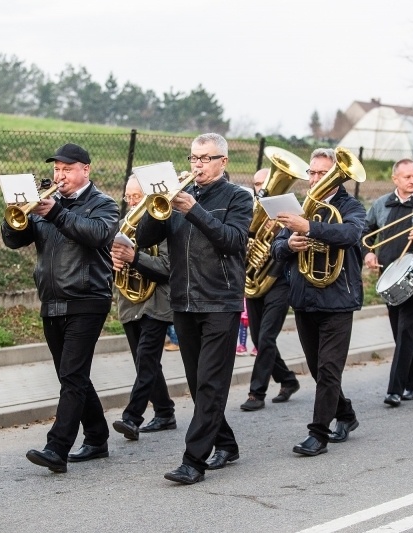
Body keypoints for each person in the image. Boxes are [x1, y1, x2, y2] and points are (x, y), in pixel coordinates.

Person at [135, 133, 252, 484]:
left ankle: (193, 461)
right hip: (183, 301)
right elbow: (144, 238)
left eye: (204, 158)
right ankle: (226, 443)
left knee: (211, 385)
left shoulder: (238, 198)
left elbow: (232, 241)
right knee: (198, 381)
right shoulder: (177, 199)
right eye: (193, 158)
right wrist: (161, 204)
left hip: (220, 300)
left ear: (223, 162)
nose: (197, 164)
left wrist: (193, 210)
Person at [1, 143, 119, 472]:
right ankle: (96, 438)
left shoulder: (103, 204)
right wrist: (16, 217)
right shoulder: (45, 204)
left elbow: (96, 235)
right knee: (72, 376)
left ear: (85, 170)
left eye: (67, 169)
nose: (59, 175)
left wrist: (53, 212)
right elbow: (14, 241)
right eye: (56, 169)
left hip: (88, 298)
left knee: (72, 375)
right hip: (51, 300)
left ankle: (57, 448)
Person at [271, 147, 366, 456]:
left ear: (337, 176)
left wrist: (309, 227)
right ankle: (346, 415)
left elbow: (351, 234)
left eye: (322, 173)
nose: (314, 178)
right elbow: (275, 248)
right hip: (304, 297)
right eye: (311, 172)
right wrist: (290, 243)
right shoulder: (300, 206)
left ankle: (318, 434)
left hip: (338, 300)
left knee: (327, 370)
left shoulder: (351, 205)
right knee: (317, 369)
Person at [363, 158, 413, 407]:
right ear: (395, 178)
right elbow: (365, 232)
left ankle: (395, 389)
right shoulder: (381, 204)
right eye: (407, 177)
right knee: (401, 333)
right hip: (389, 276)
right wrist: (367, 252)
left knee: (406, 330)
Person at [109, 175, 177, 441]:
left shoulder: (162, 224)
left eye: (137, 197)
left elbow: (167, 268)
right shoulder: (122, 226)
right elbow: (111, 260)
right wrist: (113, 262)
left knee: (147, 360)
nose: (131, 202)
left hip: (157, 301)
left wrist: (133, 257)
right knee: (145, 363)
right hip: (130, 301)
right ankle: (164, 412)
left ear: (149, 197)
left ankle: (132, 417)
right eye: (128, 197)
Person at [239, 167, 301, 412]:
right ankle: (288, 380)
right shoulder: (249, 211)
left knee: (265, 339)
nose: (262, 187)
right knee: (258, 338)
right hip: (255, 280)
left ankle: (257, 393)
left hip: (280, 281)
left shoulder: (292, 212)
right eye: (257, 183)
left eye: (266, 182)